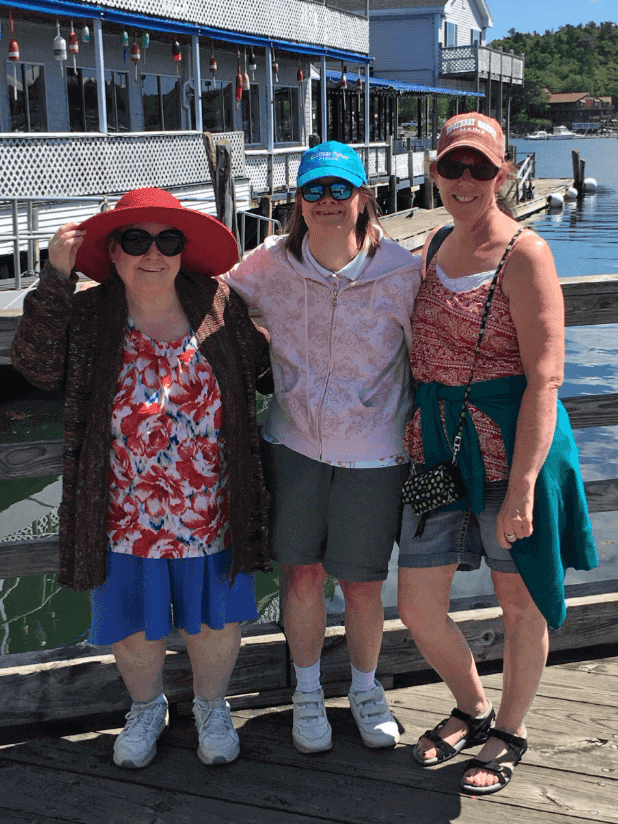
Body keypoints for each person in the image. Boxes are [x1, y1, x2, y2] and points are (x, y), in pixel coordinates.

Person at [11, 187, 273, 770]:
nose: (152, 253)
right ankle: (145, 708)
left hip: (213, 506)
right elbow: (35, 364)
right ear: (113, 250)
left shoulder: (218, 303)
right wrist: (54, 279)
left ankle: (212, 707)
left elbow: (264, 367)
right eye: (135, 239)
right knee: (131, 624)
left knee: (216, 620)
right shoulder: (90, 312)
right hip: (122, 511)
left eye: (168, 239)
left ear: (183, 250)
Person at [397, 113, 598, 795]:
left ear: (503, 174)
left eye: (480, 168)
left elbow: (546, 377)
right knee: (420, 601)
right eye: (452, 166)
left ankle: (509, 729)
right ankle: (472, 707)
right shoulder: (429, 246)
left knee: (520, 602)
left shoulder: (526, 253)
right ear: (433, 172)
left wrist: (524, 485)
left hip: (512, 457)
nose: (464, 180)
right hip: (439, 457)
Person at [219, 141, 423, 753]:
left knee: (363, 584)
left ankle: (364, 688)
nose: (328, 202)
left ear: (364, 197)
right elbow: (199, 295)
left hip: (377, 453)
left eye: (341, 189)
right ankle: (306, 690)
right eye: (315, 190)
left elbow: (437, 355)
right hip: (294, 444)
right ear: (297, 201)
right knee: (301, 573)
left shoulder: (404, 273)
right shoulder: (265, 266)